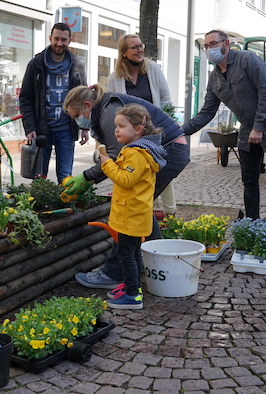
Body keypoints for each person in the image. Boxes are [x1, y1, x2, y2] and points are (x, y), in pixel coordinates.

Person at [182, 29, 266, 256]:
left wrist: (259, 126)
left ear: (226, 44)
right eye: (206, 46)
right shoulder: (215, 78)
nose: (209, 49)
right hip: (247, 129)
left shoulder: (248, 60)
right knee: (249, 181)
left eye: (213, 43)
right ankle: (253, 227)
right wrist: (181, 130)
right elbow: (206, 112)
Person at [62, 84, 190, 289]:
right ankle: (156, 266)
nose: (77, 120)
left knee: (132, 209)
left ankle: (114, 274)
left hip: (171, 149)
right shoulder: (105, 108)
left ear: (87, 106)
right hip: (173, 146)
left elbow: (114, 158)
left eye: (77, 114)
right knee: (142, 210)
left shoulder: (108, 113)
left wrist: (86, 177)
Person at [99, 104, 166, 309]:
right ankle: (132, 286)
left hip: (131, 214)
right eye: (116, 126)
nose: (116, 130)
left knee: (126, 254)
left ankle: (132, 295)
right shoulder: (137, 151)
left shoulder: (136, 153)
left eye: (121, 126)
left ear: (137, 129)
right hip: (135, 212)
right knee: (134, 252)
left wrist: (106, 163)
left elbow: (126, 180)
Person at [106, 34, 177, 217]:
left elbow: (166, 98)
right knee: (135, 172)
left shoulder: (152, 69)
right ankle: (141, 210)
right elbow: (113, 104)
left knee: (159, 167)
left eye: (141, 45)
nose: (140, 50)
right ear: (124, 53)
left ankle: (170, 212)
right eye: (135, 47)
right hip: (132, 133)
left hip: (153, 129)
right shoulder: (115, 77)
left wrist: (167, 123)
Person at [19, 23, 88, 183]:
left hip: (66, 129)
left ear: (70, 40)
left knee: (65, 177)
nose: (59, 43)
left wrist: (85, 126)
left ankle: (65, 205)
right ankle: (39, 208)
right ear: (50, 38)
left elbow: (83, 99)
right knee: (39, 177)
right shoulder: (36, 64)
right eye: (56, 39)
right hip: (42, 130)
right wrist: (30, 127)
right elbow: (26, 98)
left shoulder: (77, 66)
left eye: (64, 40)